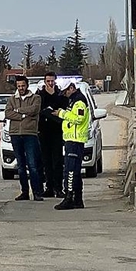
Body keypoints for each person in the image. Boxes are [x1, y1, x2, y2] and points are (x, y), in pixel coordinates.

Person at [4, 75, 44, 201]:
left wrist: (18, 110)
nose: (21, 88)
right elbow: (8, 113)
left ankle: (37, 192)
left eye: (23, 85)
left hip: (30, 134)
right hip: (15, 135)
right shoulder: (12, 99)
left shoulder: (35, 98)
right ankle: (24, 192)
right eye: (19, 86)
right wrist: (22, 115)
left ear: (27, 85)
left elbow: (34, 110)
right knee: (21, 166)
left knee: (32, 165)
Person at [53, 82, 90, 210]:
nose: (65, 94)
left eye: (65, 92)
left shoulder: (79, 101)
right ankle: (78, 199)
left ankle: (69, 198)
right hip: (72, 140)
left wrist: (62, 114)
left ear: (71, 88)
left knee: (70, 171)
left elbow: (79, 118)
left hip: (75, 140)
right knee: (75, 172)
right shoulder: (73, 100)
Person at [36, 72, 69, 198]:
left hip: (57, 132)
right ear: (45, 82)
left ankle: (58, 188)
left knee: (57, 161)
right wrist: (49, 113)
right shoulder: (40, 96)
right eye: (48, 81)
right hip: (43, 132)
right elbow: (38, 111)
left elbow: (63, 111)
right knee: (46, 161)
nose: (50, 83)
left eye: (52, 81)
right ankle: (49, 187)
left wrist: (52, 113)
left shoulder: (60, 95)